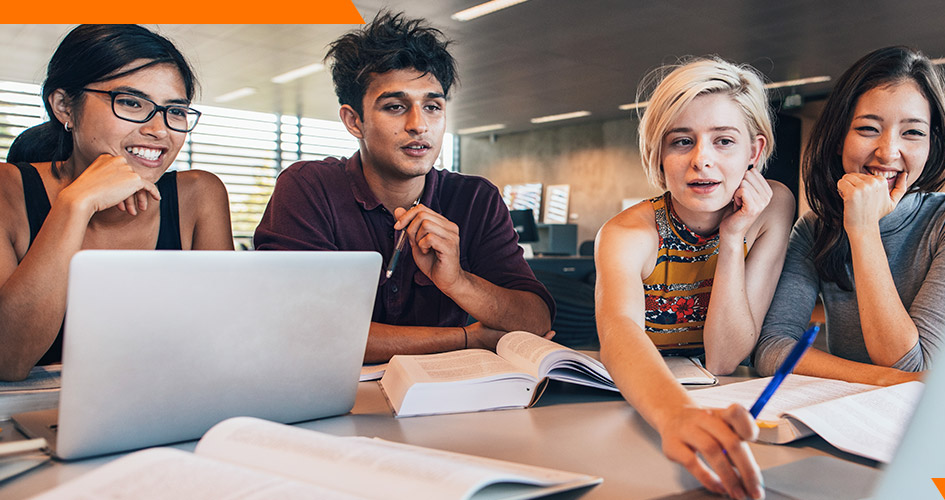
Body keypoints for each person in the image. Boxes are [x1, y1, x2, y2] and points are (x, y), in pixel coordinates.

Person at [253, 12, 554, 363]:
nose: (419, 125)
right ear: (354, 121)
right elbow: (304, 331)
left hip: (447, 403)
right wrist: (465, 339)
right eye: (395, 107)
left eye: (432, 106)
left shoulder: (475, 199)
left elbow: (536, 320)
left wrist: (457, 281)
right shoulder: (309, 188)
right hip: (338, 400)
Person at [595, 57, 795, 500]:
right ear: (658, 154)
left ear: (754, 153)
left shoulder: (772, 207)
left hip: (724, 401)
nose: (701, 160)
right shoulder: (627, 233)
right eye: (682, 141)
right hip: (641, 406)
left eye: (724, 141)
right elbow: (618, 331)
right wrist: (675, 415)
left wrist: (732, 237)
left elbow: (724, 358)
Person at [0, 24, 234, 381]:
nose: (160, 130)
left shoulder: (199, 195)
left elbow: (225, 345)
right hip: (35, 420)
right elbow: (9, 360)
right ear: (64, 106)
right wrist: (76, 202)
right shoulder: (7, 189)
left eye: (175, 111)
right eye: (130, 102)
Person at [754, 46, 945, 386]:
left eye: (912, 132)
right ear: (839, 138)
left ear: (932, 145)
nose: (888, 152)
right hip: (846, 418)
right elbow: (772, 348)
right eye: (869, 129)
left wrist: (864, 229)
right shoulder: (814, 228)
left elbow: (912, 364)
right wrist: (882, 380)